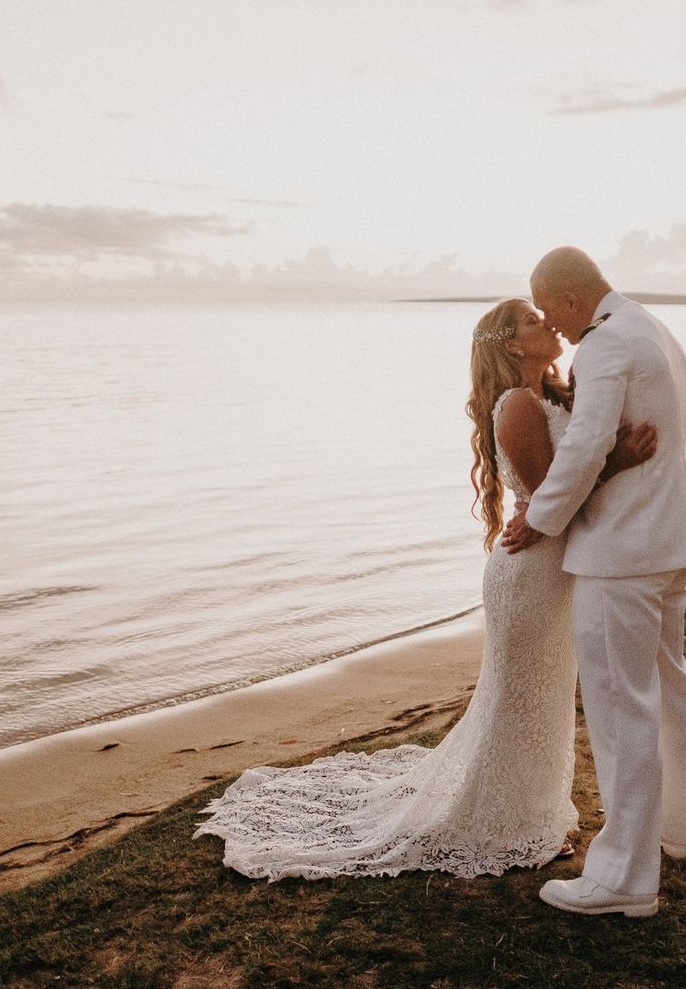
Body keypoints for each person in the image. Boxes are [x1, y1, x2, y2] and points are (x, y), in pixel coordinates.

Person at [194, 297, 657, 880]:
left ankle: (531, 812)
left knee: (542, 696)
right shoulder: (516, 405)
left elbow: (557, 488)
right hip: (530, 575)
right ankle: (498, 821)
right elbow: (554, 500)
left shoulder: (552, 397)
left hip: (551, 570)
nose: (548, 324)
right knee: (519, 699)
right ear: (512, 344)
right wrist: (617, 463)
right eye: (533, 321)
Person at [502, 246, 686, 919]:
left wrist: (542, 518)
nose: (555, 326)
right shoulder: (655, 329)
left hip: (621, 553)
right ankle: (677, 831)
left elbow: (586, 446)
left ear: (565, 299)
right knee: (670, 688)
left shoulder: (606, 345)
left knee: (620, 711)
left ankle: (623, 878)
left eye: (549, 307)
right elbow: (685, 421)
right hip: (668, 538)